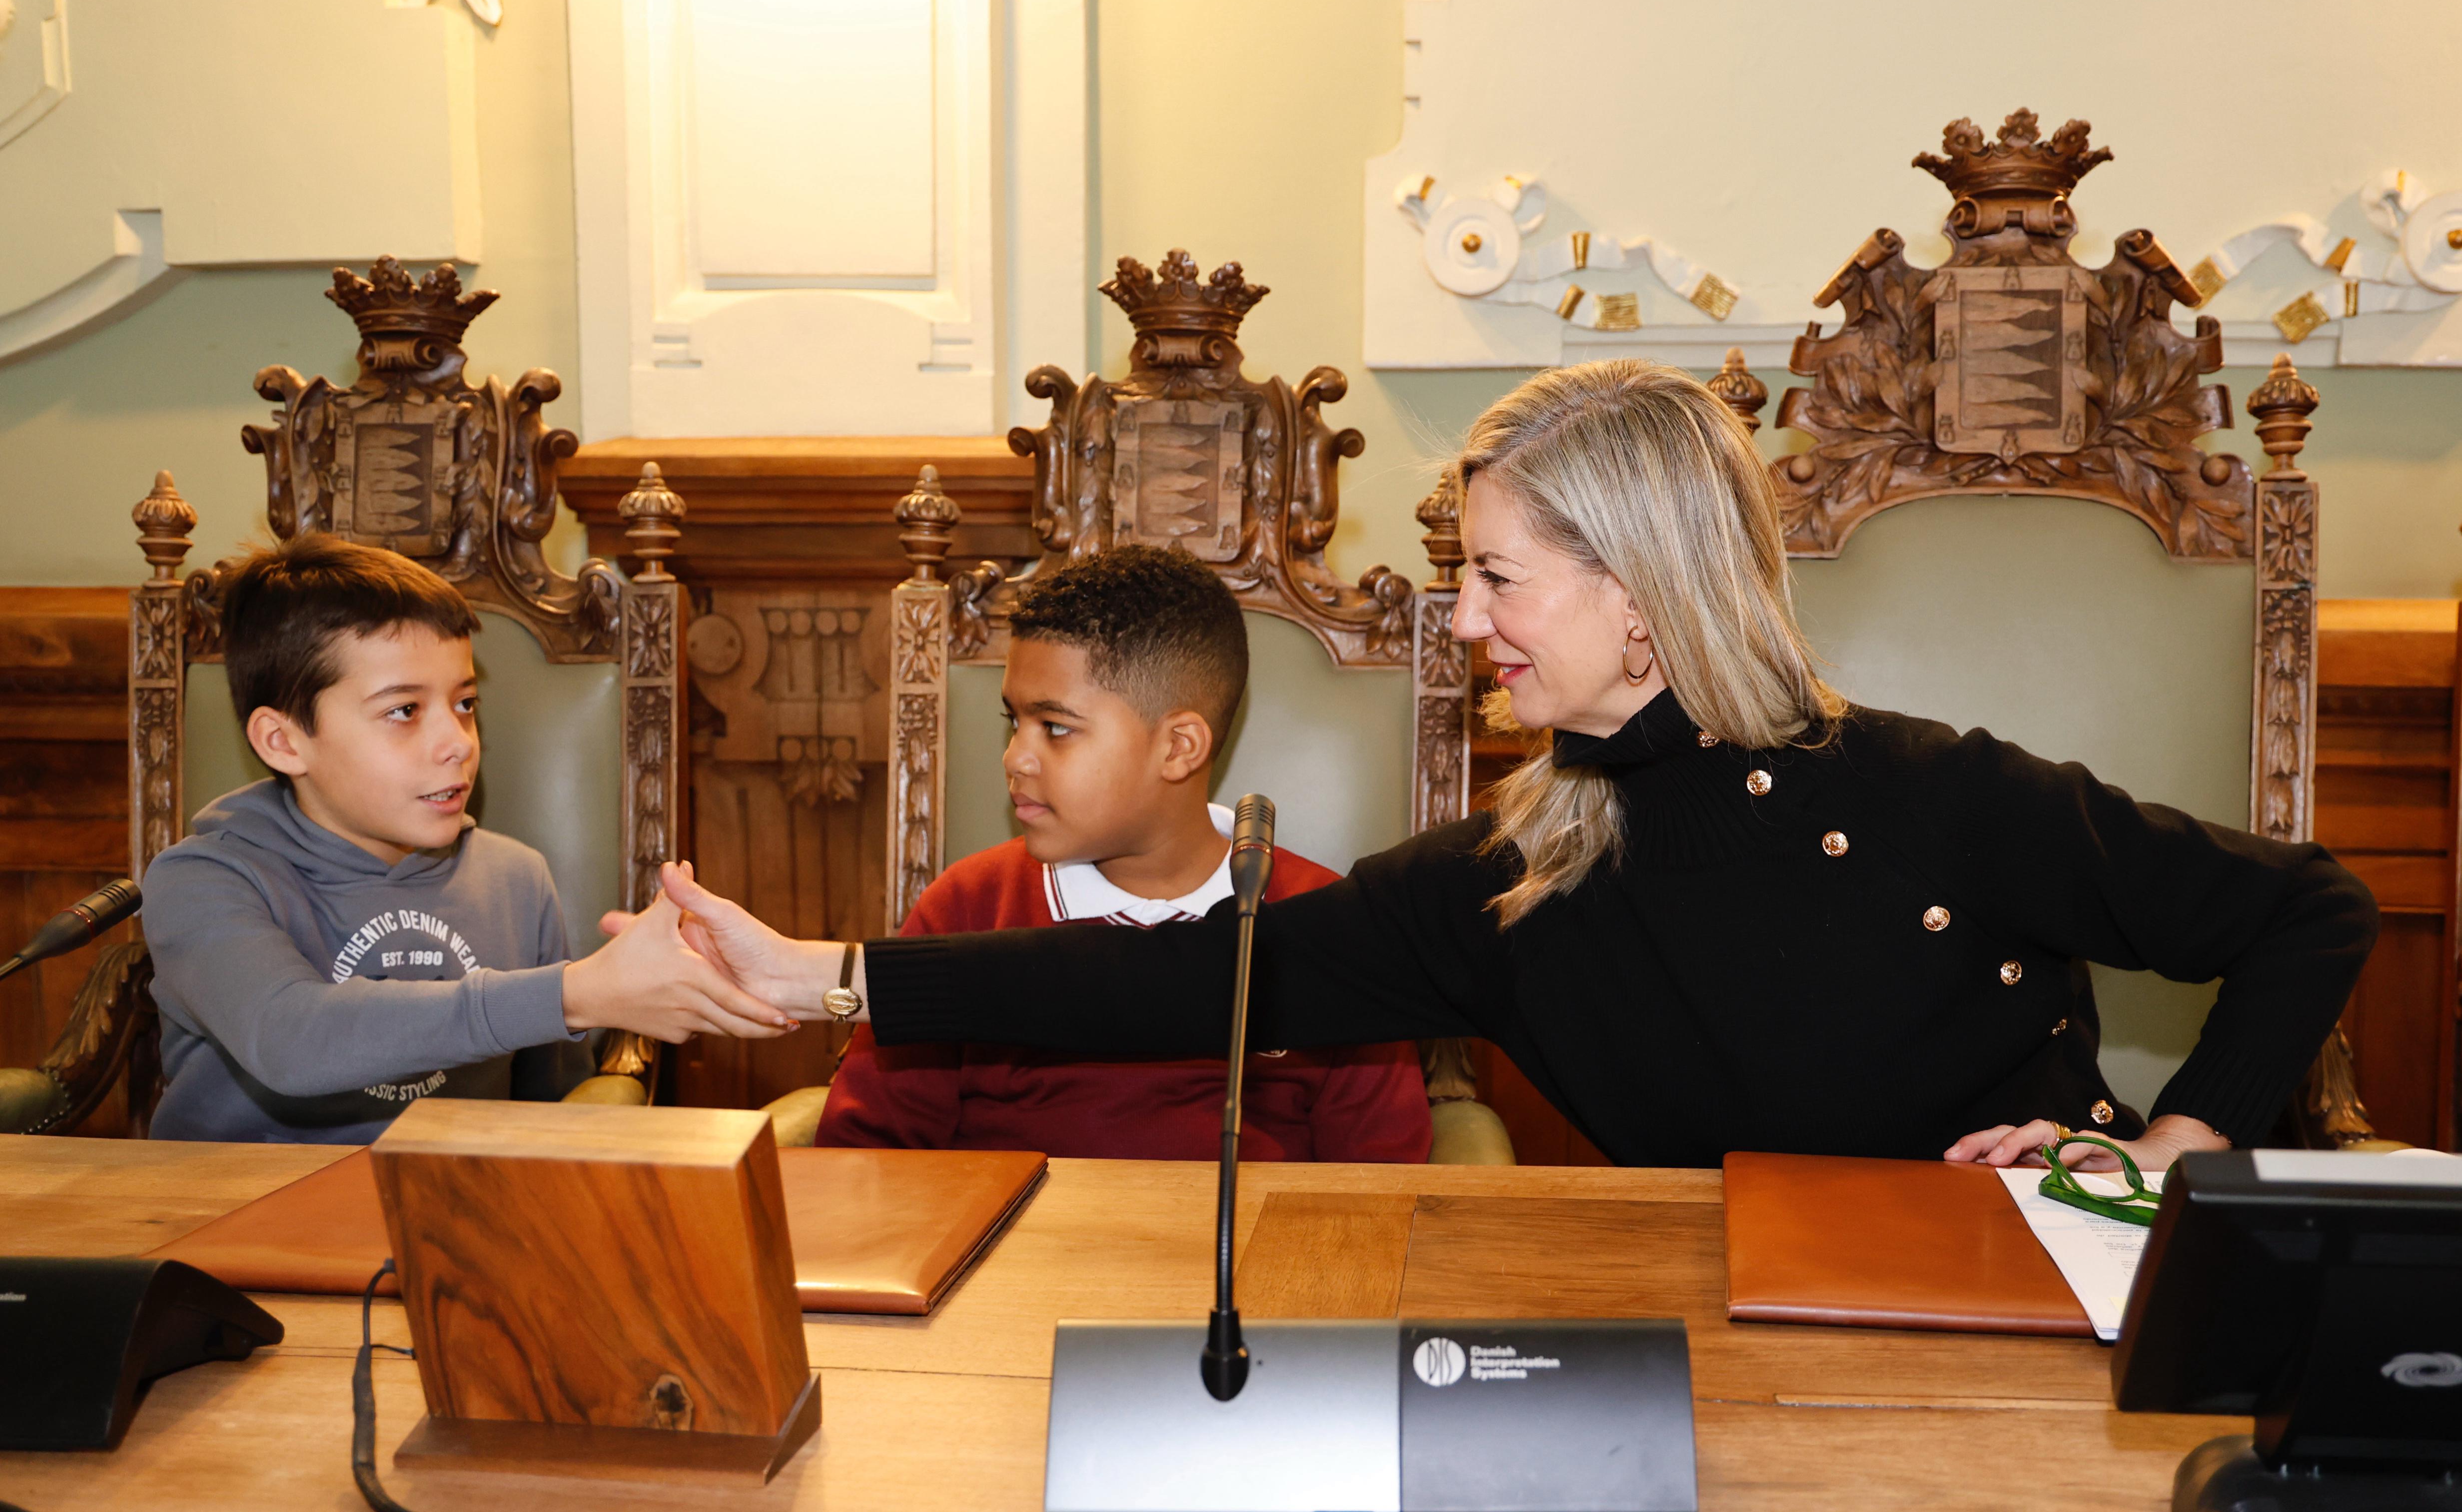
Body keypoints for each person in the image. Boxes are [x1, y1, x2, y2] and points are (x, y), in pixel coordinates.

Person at [646, 360, 2379, 1174]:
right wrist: (832, 976)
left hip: (2014, 1320)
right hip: (1720, 1348)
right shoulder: (1506, 878)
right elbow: (1184, 980)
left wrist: (2175, 1147)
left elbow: (2306, 906)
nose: (1460, 617)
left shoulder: (1931, 794)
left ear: (1639, 594)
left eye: (1494, 576)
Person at [144, 536, 788, 1143]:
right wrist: (574, 993)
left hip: (450, 1210)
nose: (457, 744)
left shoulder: (515, 879)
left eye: (465, 704)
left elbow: (548, 1109)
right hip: (236, 1212)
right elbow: (291, 1039)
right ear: (283, 742)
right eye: (403, 710)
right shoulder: (201, 881)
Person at [818, 545, 1430, 1161]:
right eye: (1014, 722)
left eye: (1055, 727)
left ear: (1179, 748)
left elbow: (1384, 1183)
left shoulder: (1326, 928)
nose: (1015, 758)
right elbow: (867, 1157)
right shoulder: (970, 907)